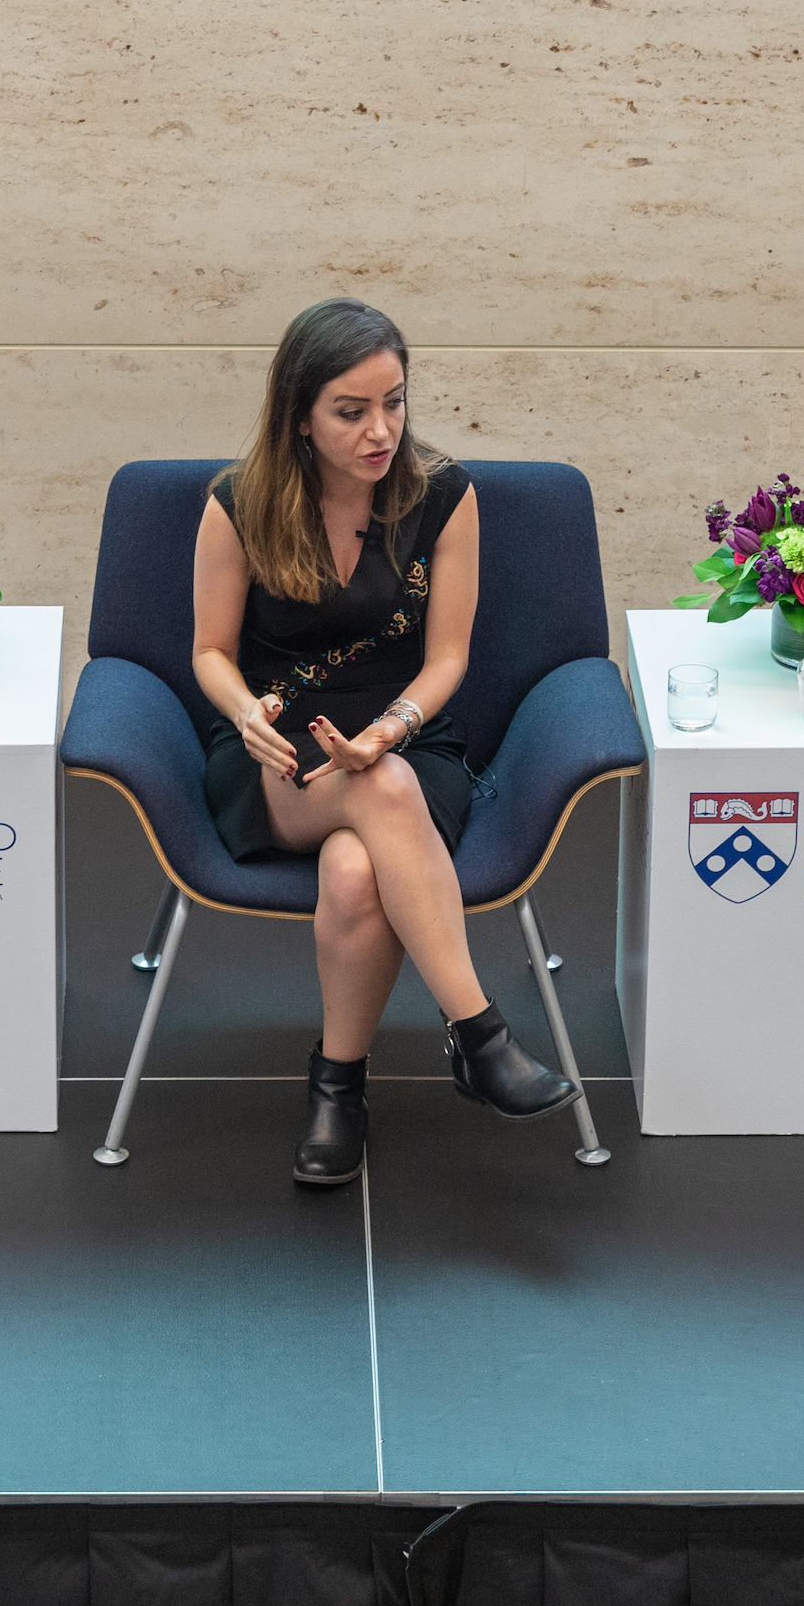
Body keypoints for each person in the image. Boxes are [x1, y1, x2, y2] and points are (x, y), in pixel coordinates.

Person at [193, 299, 579, 1186]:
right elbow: (209, 650)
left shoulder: (442, 494)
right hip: (279, 754)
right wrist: (245, 709)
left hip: (409, 734)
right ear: (298, 414)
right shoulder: (237, 502)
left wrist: (386, 731)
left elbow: (447, 658)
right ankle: (480, 1037)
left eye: (394, 403)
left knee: (358, 863)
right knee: (382, 792)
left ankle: (339, 1086)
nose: (381, 430)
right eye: (351, 410)